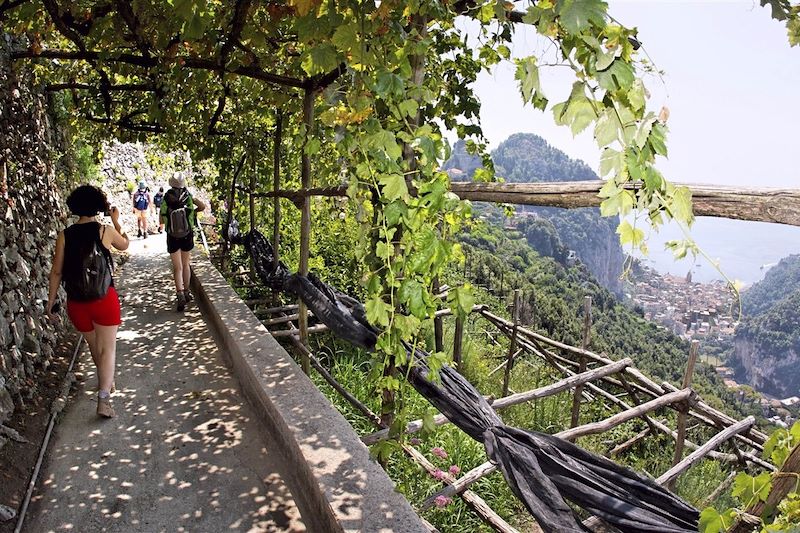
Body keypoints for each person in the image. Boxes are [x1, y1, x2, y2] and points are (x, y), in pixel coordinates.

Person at [48, 185, 130, 418]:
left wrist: (50, 301)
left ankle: (106, 381)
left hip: (77, 303)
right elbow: (125, 245)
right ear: (97, 205)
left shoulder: (65, 235)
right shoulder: (105, 231)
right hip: (104, 299)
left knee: (95, 346)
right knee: (108, 349)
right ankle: (104, 399)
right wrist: (116, 221)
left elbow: (56, 272)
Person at [160, 173, 206, 311]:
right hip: (187, 234)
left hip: (172, 235)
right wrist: (193, 212)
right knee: (186, 264)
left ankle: (179, 294)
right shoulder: (188, 196)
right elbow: (202, 206)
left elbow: (162, 220)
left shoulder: (166, 198)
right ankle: (186, 292)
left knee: (177, 267)